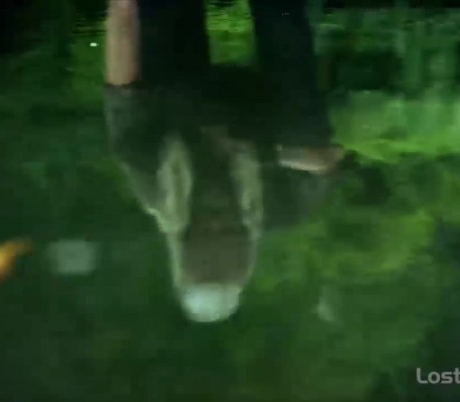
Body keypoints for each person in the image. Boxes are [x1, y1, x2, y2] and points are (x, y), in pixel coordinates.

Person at [104, 0, 344, 323]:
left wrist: (122, 10)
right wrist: (258, 153)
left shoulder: (156, 190)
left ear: (185, 236)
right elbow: (328, 160)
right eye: (229, 231)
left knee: (153, 41)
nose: (217, 219)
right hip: (263, 106)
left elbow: (123, 95)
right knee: (305, 133)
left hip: (184, 95)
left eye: (207, 230)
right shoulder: (283, 208)